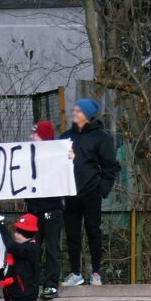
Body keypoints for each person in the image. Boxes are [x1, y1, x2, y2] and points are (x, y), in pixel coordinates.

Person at [60, 98, 120, 287]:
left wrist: (100, 189)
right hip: (70, 193)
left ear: (87, 115)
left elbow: (111, 166)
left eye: (78, 111)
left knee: (93, 232)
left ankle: (96, 272)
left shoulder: (101, 138)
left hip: (91, 193)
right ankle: (75, 272)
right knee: (72, 235)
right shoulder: (65, 137)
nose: (74, 113)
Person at [28, 120, 65, 300]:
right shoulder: (27, 156)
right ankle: (31, 283)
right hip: (34, 211)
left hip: (52, 209)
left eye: (35, 134)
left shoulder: (57, 156)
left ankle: (51, 285)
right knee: (31, 249)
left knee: (52, 249)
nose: (31, 137)